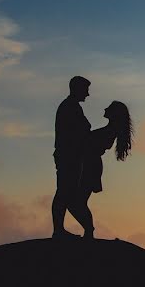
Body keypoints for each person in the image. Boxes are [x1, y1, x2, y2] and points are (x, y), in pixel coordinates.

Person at [76, 100, 134, 239]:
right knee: (78, 201)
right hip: (90, 164)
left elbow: (90, 145)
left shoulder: (109, 131)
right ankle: (88, 231)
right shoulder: (110, 130)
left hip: (91, 166)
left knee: (78, 201)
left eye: (109, 107)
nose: (105, 108)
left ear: (114, 114)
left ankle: (89, 231)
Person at [51, 76, 93, 239]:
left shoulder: (72, 106)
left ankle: (59, 229)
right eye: (86, 90)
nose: (88, 94)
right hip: (68, 157)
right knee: (64, 192)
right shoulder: (69, 107)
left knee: (66, 192)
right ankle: (58, 230)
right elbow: (78, 132)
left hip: (72, 157)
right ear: (78, 89)